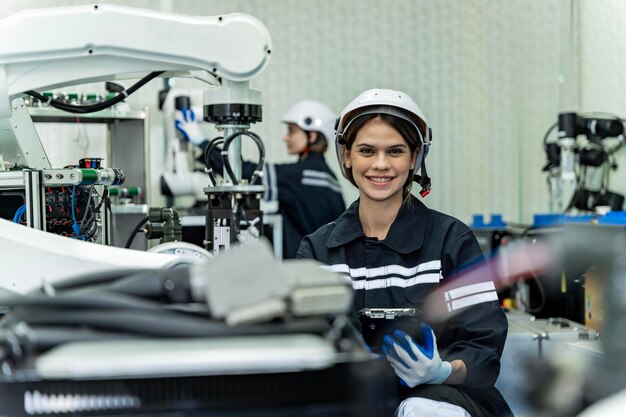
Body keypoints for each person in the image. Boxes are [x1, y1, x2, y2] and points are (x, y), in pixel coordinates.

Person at [296, 88, 512, 417]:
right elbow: (303, 345)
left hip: (444, 401)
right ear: (347, 156)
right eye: (367, 150)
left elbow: (484, 347)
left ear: (414, 157)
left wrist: (443, 370)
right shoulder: (318, 250)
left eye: (395, 151)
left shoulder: (451, 242)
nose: (380, 164)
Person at [175, 100, 346, 259]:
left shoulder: (305, 177)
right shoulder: (324, 176)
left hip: (301, 267)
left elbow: (243, 171)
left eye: (292, 131)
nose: (285, 138)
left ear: (312, 136)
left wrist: (200, 140)